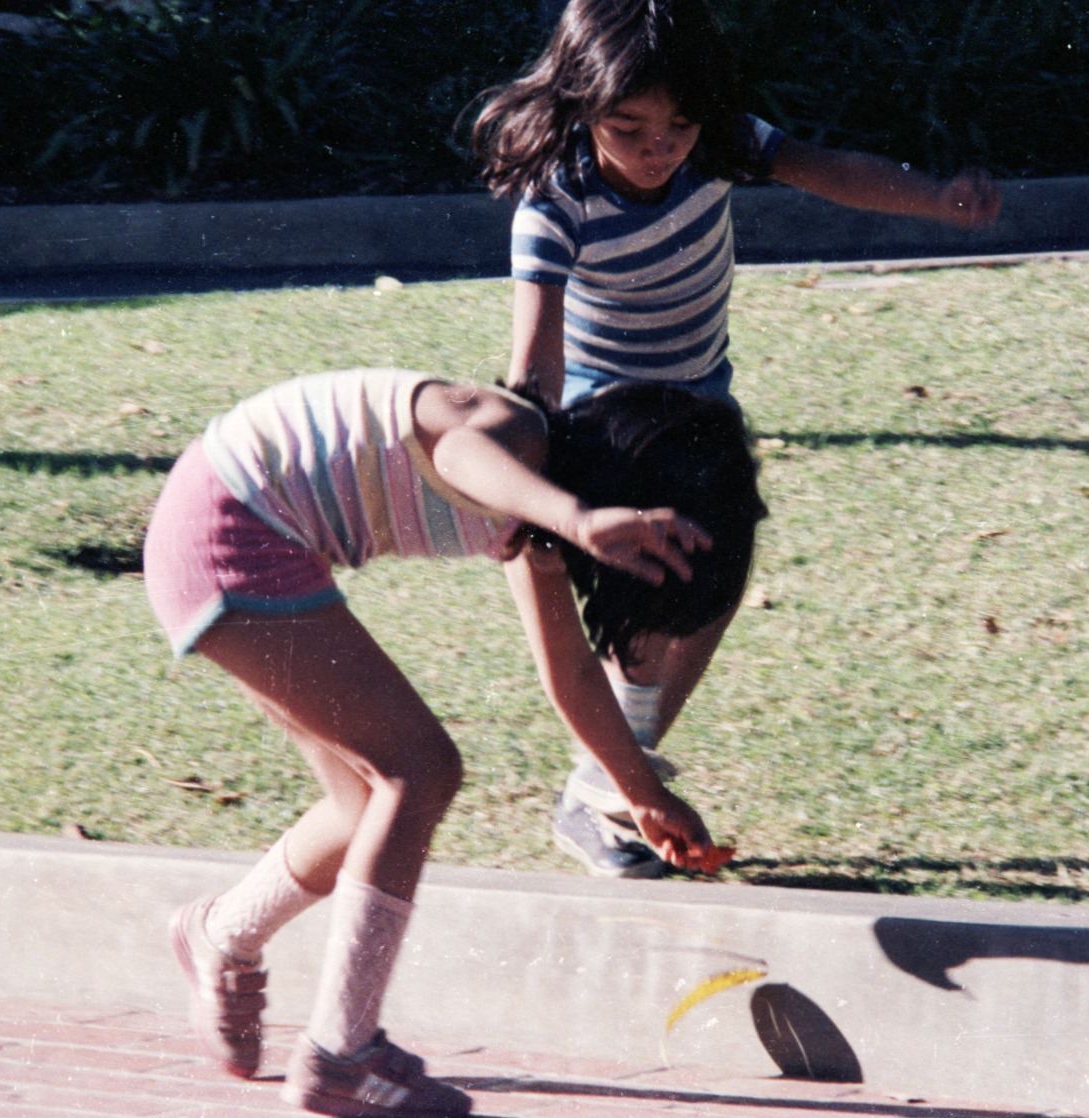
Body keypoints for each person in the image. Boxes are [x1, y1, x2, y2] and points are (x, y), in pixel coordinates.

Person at [143, 368, 766, 1117]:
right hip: (226, 531)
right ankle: (343, 1053)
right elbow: (457, 451)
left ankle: (222, 933)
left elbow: (569, 671)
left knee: (362, 803)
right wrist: (577, 518)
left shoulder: (535, 529)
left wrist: (641, 792)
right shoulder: (514, 432)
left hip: (238, 534)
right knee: (420, 770)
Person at [470, 0, 1001, 878]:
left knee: (717, 576)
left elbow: (829, 168)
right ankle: (614, 790)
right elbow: (534, 362)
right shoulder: (555, 201)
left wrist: (934, 200)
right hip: (610, 416)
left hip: (702, 401)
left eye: (677, 124)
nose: (658, 147)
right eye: (629, 126)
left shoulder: (718, 141)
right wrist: (535, 477)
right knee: (646, 604)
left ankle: (606, 779)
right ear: (578, 103)